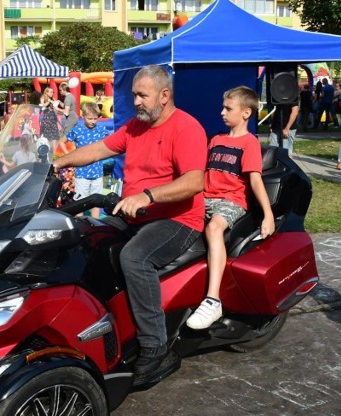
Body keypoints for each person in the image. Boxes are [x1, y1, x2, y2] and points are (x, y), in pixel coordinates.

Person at [54, 65, 207, 378]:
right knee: (85, 238)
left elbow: (194, 182)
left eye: (142, 95)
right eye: (133, 94)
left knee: (134, 258)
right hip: (136, 214)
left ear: (164, 96)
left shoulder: (186, 128)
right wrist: (56, 163)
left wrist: (147, 196)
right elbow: (98, 149)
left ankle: (155, 347)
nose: (135, 101)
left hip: (177, 218)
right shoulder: (136, 127)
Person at [187, 86, 275, 330]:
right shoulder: (215, 140)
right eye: (223, 107)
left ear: (246, 113)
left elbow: (255, 180)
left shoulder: (250, 143)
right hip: (204, 197)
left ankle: (213, 300)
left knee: (215, 229)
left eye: (228, 108)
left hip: (230, 201)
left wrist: (267, 215)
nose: (222, 112)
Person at [60, 102, 109, 218]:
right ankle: (80, 225)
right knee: (80, 202)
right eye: (90, 118)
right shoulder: (77, 130)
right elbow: (62, 141)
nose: (93, 121)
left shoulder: (102, 130)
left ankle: (95, 224)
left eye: (95, 118)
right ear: (83, 116)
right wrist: (69, 156)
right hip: (82, 173)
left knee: (97, 201)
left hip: (97, 172)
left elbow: (112, 144)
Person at [55, 82, 78, 148]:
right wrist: (60, 102)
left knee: (64, 137)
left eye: (60, 90)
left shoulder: (67, 98)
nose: (60, 92)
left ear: (64, 89)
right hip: (74, 118)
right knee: (72, 137)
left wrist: (57, 108)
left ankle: (63, 153)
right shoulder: (71, 96)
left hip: (70, 119)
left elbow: (66, 112)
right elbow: (67, 106)